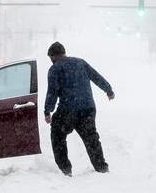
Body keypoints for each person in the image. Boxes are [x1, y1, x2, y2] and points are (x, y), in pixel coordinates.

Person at [43, 42, 115, 176]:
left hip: (68, 110)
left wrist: (48, 111)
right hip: (87, 108)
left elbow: (52, 92)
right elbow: (95, 76)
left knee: (57, 135)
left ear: (54, 56)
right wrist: (108, 90)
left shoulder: (55, 69)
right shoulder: (80, 63)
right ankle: (102, 168)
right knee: (91, 138)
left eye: (51, 58)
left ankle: (65, 169)